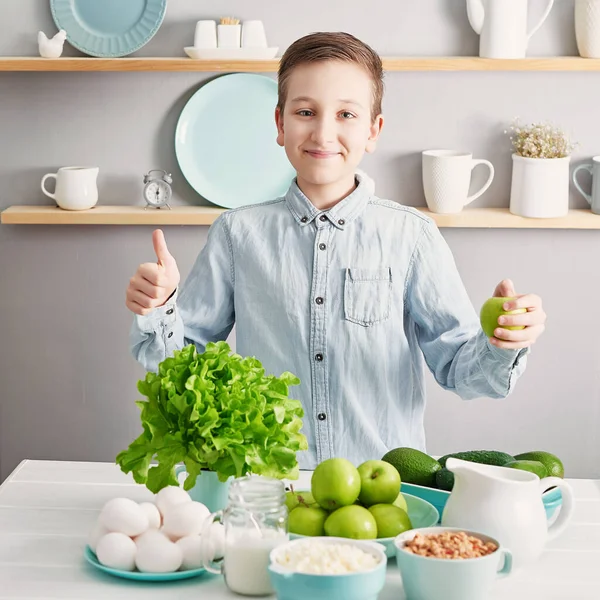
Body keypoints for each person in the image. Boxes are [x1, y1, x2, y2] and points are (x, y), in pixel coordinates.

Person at [125, 32, 546, 470]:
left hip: (385, 491)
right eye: (305, 111)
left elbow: (461, 370)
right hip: (269, 486)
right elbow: (180, 372)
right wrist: (163, 307)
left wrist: (502, 342)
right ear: (280, 124)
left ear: (373, 130)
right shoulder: (237, 234)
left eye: (346, 113)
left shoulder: (413, 236)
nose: (323, 131)